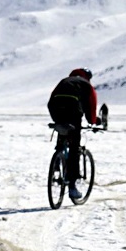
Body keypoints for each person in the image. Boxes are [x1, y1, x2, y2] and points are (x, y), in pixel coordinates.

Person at [47, 68, 100, 200]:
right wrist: (93, 121)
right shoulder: (86, 85)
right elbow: (91, 105)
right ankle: (72, 186)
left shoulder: (64, 81)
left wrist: (57, 120)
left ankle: (58, 160)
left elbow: (51, 100)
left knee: (63, 130)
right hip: (73, 110)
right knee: (74, 148)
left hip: (55, 109)